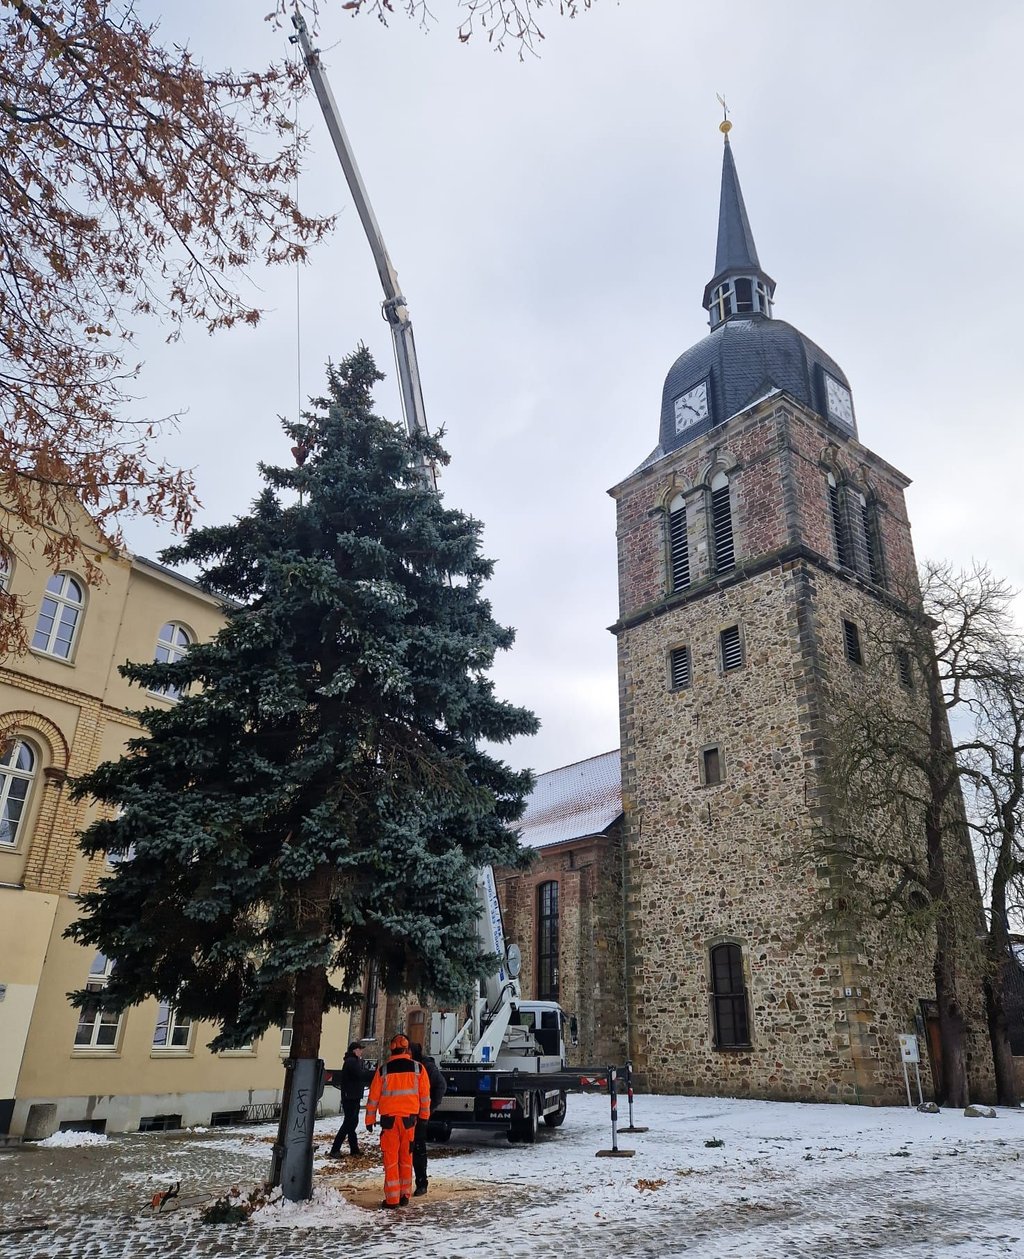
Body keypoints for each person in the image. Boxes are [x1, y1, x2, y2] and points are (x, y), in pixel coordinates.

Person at [365, 1031, 430, 1208]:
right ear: (407, 1049)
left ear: (392, 1050)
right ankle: (404, 1195)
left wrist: (369, 1120)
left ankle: (392, 1199)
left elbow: (373, 1097)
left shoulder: (383, 1070)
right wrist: (424, 1118)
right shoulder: (419, 1069)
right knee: (406, 1159)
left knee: (391, 1160)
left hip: (389, 1122)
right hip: (410, 1122)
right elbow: (425, 1096)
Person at [410, 1040, 447, 1197]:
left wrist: (430, 1108)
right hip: (404, 1115)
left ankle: (421, 1183)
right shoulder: (407, 1066)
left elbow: (441, 1085)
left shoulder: (426, 1067)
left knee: (418, 1149)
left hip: (419, 1115)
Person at [329, 1041, 370, 1158]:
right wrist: (373, 1074)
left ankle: (354, 1148)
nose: (361, 1051)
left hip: (352, 1096)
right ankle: (335, 1149)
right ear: (354, 1050)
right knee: (348, 1123)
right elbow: (360, 1075)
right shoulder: (352, 1062)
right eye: (360, 1049)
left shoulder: (353, 1061)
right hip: (351, 1097)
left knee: (352, 1123)